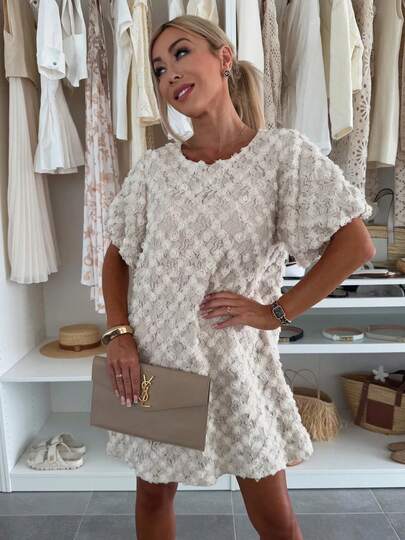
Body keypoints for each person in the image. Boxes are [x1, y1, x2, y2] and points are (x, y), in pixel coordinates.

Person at [101, 14, 375, 540]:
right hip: (158, 357)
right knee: (154, 495)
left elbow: (355, 243)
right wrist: (119, 334)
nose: (169, 73)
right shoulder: (156, 170)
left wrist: (276, 312)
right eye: (158, 68)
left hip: (236, 362)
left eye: (181, 53)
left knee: (273, 516)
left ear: (224, 58)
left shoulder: (282, 155)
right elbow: (117, 255)